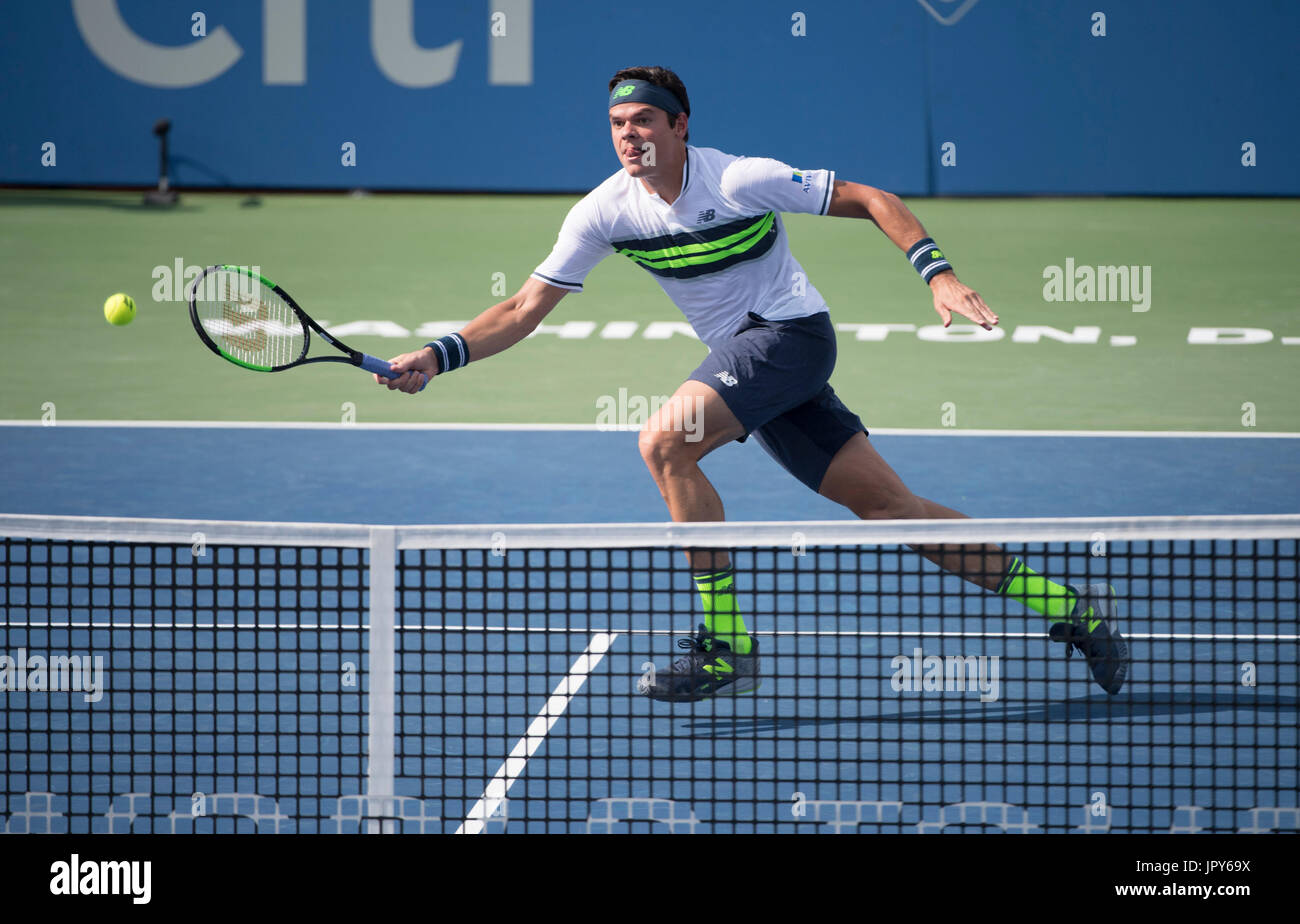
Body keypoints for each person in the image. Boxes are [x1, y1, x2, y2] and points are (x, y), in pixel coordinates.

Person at [374, 65, 1129, 703]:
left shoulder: (740, 179)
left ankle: (726, 644)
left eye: (643, 121)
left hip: (790, 337)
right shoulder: (606, 211)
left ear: (680, 126)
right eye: (616, 124)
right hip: (757, 366)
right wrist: (438, 357)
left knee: (665, 443)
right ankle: (1071, 608)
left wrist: (938, 274)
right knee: (891, 511)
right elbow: (521, 308)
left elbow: (872, 199)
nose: (628, 135)